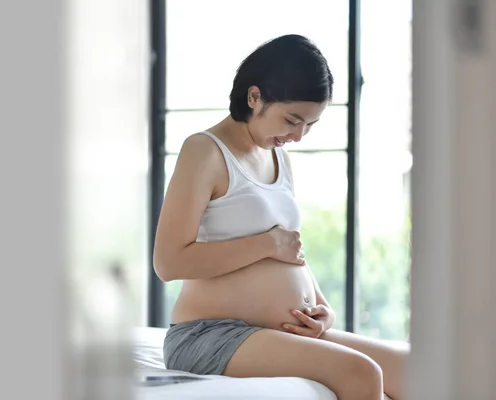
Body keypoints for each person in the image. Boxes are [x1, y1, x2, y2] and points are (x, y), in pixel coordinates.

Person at [153, 34, 409, 400]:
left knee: (413, 367)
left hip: (278, 333)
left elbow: (289, 249)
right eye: (292, 120)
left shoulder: (278, 158)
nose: (298, 136)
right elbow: (168, 262)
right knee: (360, 372)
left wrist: (323, 309)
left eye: (309, 125)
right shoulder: (204, 151)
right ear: (254, 97)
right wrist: (265, 243)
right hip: (209, 334)